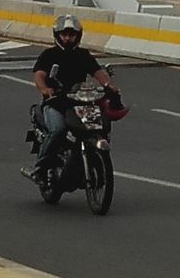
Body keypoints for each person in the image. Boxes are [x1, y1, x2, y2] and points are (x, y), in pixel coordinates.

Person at [21, 13, 119, 179]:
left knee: (99, 127)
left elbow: (98, 72)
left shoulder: (83, 55)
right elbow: (39, 75)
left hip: (79, 103)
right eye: (64, 34)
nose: (67, 38)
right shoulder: (49, 54)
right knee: (58, 130)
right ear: (57, 35)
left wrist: (108, 86)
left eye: (71, 34)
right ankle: (40, 167)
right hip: (55, 103)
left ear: (78, 36)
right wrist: (45, 89)